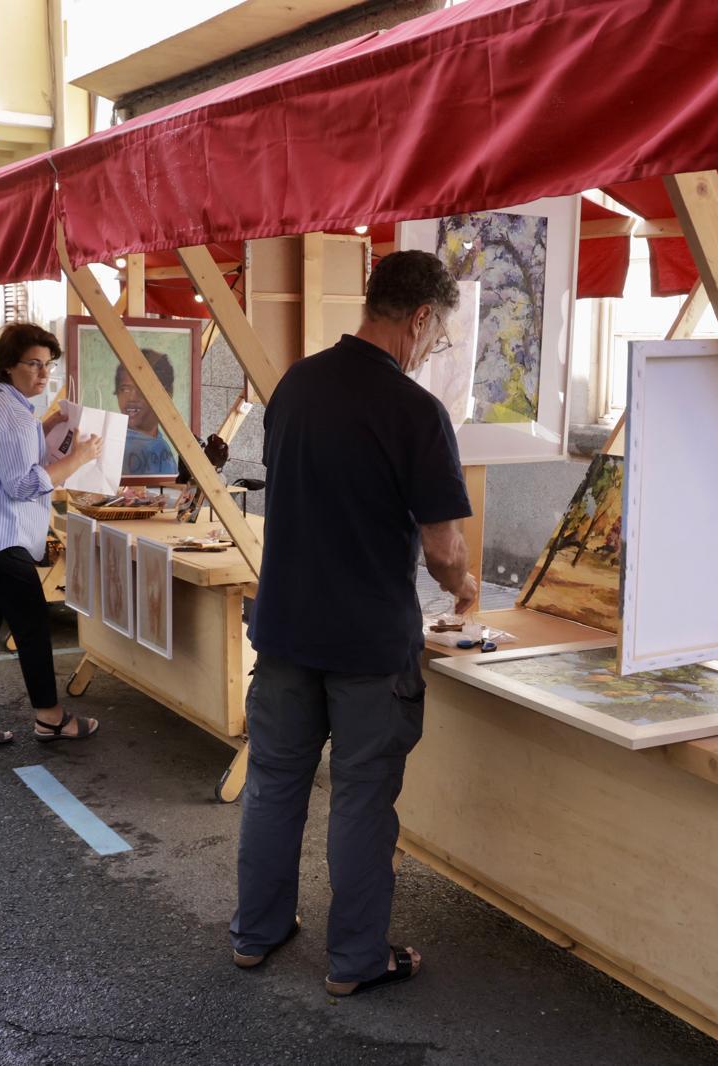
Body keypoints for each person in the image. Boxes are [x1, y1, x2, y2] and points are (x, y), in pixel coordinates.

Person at [232, 251, 476, 996]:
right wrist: (465, 587)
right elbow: (443, 548)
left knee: (274, 785)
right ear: (421, 317)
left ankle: (257, 933)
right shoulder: (417, 413)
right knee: (363, 798)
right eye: (439, 336)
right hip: (369, 643)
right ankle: (356, 960)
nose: (436, 349)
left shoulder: (297, 386)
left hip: (284, 628)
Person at [0, 322, 105, 749]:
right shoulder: (9, 413)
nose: (44, 374)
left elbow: (11, 460)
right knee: (31, 625)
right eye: (34, 364)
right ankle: (49, 718)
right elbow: (23, 484)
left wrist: (49, 428)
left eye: (48, 365)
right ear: (9, 365)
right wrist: (80, 457)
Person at [115, 349, 179, 476]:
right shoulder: (113, 444)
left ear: (165, 395)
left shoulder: (161, 445)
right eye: (125, 389)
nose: (131, 398)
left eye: (141, 390)